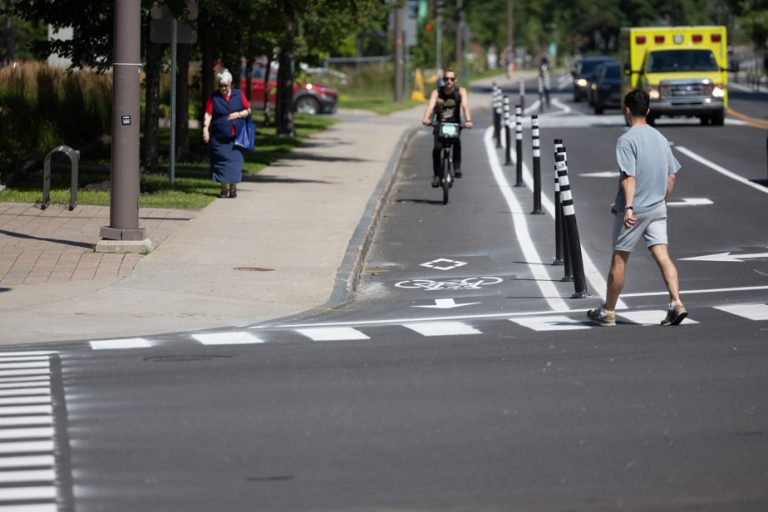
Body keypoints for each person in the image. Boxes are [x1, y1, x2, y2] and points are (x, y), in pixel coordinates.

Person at [587, 89, 687, 327]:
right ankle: (676, 303)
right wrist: (664, 201)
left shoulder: (627, 140)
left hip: (634, 209)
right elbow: (671, 176)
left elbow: (628, 177)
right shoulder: (660, 138)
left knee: (619, 259)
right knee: (662, 255)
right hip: (657, 207)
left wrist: (629, 208)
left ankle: (608, 311)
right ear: (649, 111)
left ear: (627, 111)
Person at [420, 68, 474, 188]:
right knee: (437, 149)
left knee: (456, 142)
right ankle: (436, 174)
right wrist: (426, 119)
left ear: (455, 80)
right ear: (443, 80)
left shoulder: (460, 91)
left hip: (455, 124)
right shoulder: (437, 92)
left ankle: (456, 167)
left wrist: (468, 121)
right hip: (440, 124)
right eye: (446, 79)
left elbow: (465, 106)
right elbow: (430, 106)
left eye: (452, 79)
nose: (449, 81)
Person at [202, 69, 251, 198]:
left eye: (226, 86)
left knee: (236, 162)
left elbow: (248, 110)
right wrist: (205, 129)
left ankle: (233, 187)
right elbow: (208, 114)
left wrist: (238, 114)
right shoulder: (214, 97)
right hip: (220, 135)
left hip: (236, 136)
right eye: (221, 86)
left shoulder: (239, 95)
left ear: (231, 84)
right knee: (220, 163)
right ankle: (224, 189)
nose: (223, 88)